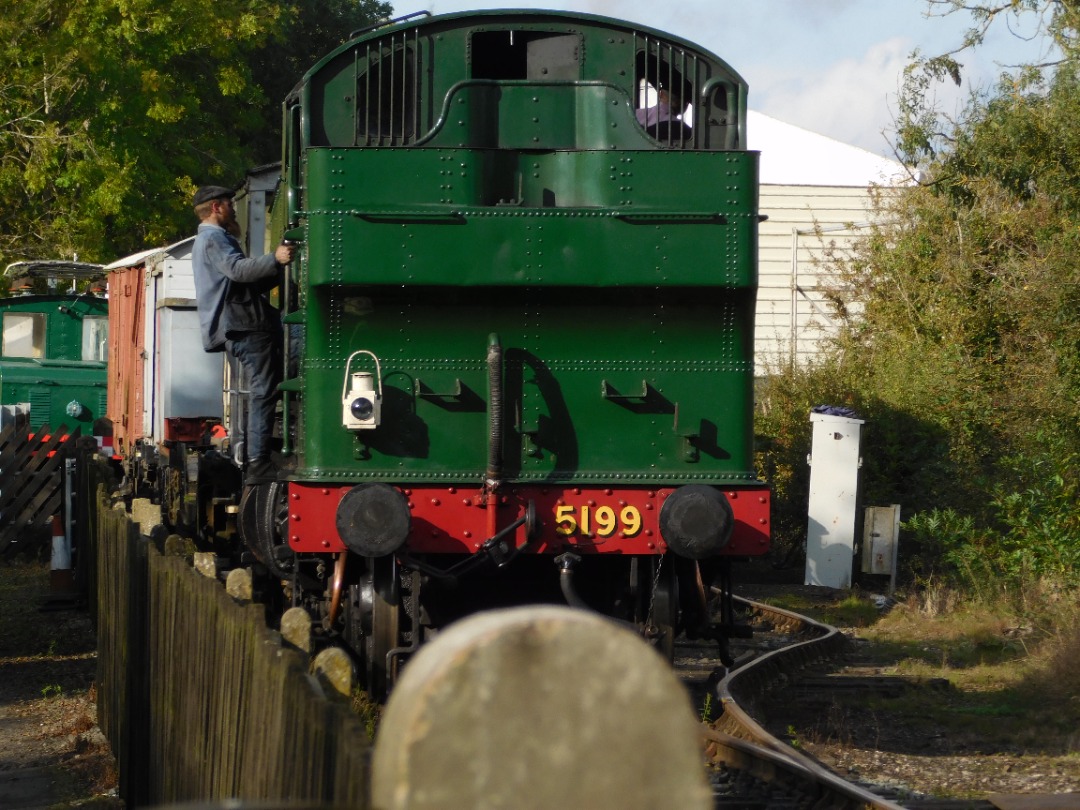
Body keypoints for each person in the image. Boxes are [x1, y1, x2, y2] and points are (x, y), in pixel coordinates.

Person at [191, 184, 295, 485]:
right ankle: (258, 462)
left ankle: (257, 460)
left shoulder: (214, 239)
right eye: (229, 204)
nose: (234, 209)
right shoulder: (213, 239)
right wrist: (275, 258)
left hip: (243, 323)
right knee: (263, 391)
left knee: (262, 391)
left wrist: (275, 269)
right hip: (244, 325)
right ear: (216, 207)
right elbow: (238, 271)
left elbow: (242, 284)